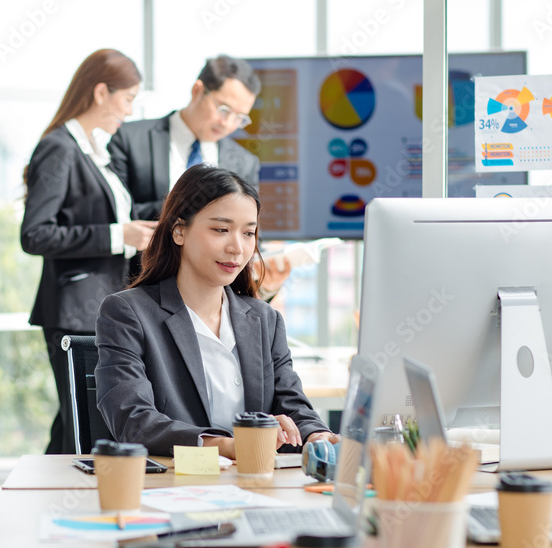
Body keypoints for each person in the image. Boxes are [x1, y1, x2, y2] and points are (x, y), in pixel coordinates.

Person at [94, 164, 338, 458]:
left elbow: (292, 404)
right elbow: (134, 422)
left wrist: (317, 435)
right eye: (221, 230)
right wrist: (229, 445)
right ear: (179, 231)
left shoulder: (264, 319)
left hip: (255, 485)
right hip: (173, 489)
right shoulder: (128, 312)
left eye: (249, 233)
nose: (237, 247)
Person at [22, 49, 157, 455]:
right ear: (101, 92)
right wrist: (119, 236)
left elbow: (118, 214)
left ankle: (38, 501)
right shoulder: (60, 147)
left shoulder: (97, 152)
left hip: (99, 307)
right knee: (85, 423)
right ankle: (62, 504)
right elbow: (36, 234)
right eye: (128, 99)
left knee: (73, 420)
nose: (130, 112)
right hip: (74, 311)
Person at [108, 54, 291, 297]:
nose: (228, 124)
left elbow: (244, 230)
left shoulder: (244, 163)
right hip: (135, 291)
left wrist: (264, 279)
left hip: (209, 303)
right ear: (198, 90)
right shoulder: (131, 139)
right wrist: (195, 215)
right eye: (223, 109)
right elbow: (115, 215)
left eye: (240, 118)